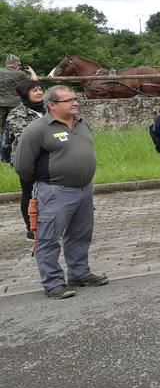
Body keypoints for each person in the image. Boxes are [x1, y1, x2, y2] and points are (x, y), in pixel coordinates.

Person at [13, 85, 106, 298]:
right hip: (55, 192)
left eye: (75, 99)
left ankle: (79, 274)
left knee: (80, 235)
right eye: (69, 100)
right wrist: (47, 182)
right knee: (48, 238)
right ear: (52, 105)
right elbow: (22, 166)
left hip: (84, 190)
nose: (75, 103)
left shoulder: (82, 124)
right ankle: (53, 283)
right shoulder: (36, 129)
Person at [6, 78, 47, 238]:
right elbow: (25, 137)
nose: (39, 93)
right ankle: (31, 228)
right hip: (26, 159)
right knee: (29, 192)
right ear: (25, 94)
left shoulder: (48, 109)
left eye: (40, 89)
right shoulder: (17, 113)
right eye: (34, 90)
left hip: (49, 158)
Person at [0, 54, 36, 161]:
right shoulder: (20, 74)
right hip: (14, 105)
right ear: (16, 63)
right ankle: (7, 154)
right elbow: (34, 82)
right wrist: (31, 71)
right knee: (11, 130)